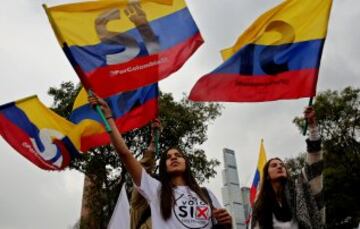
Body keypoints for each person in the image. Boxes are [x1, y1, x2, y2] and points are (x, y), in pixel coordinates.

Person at [89, 96, 233, 228]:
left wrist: (228, 221)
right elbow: (125, 154)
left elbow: (222, 223)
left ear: (186, 162)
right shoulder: (155, 190)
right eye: (168, 157)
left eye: (178, 155)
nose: (173, 158)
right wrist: (108, 116)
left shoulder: (206, 194)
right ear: (163, 167)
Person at [251, 107, 325, 229]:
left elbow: (313, 168)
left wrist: (313, 128)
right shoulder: (260, 206)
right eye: (274, 165)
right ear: (267, 176)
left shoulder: (298, 191)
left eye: (282, 165)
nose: (280, 166)